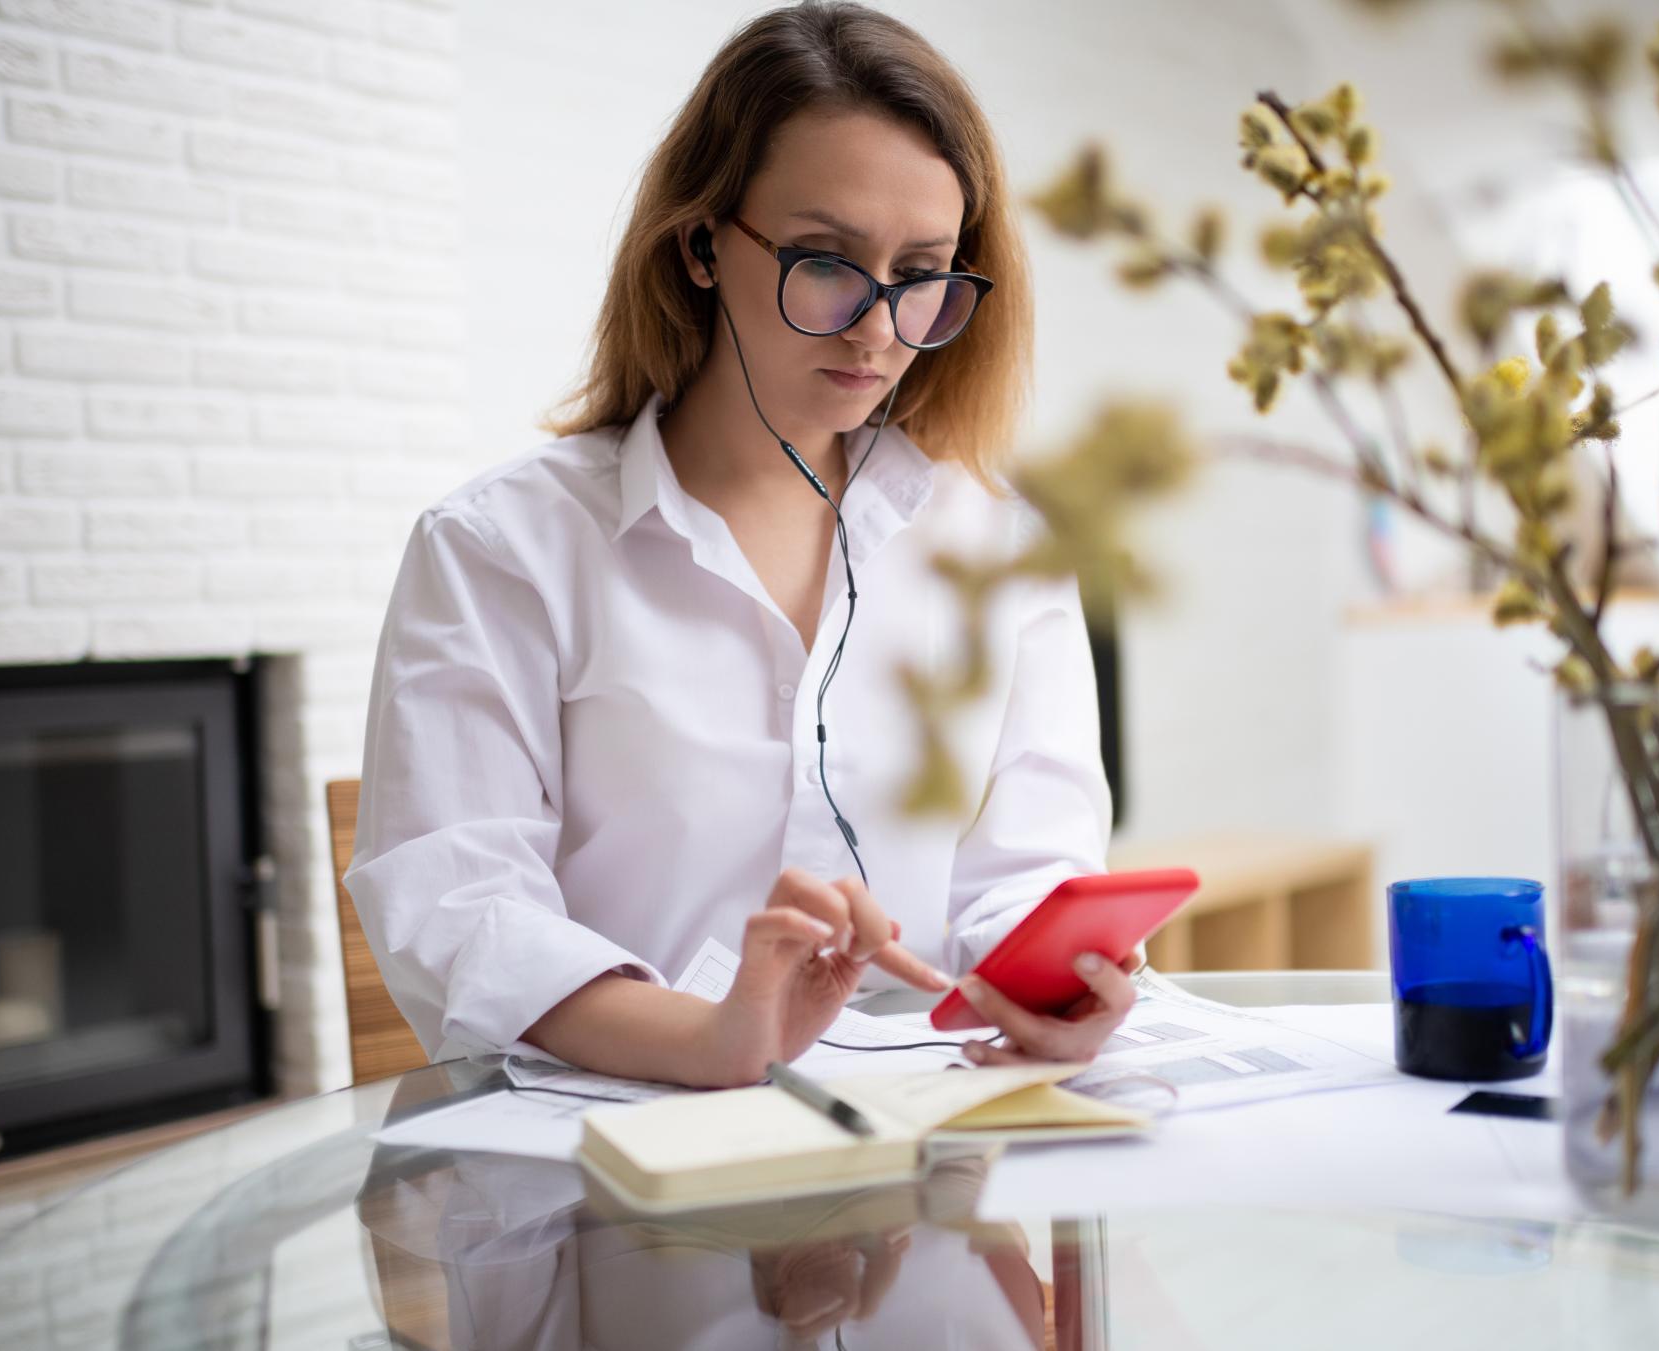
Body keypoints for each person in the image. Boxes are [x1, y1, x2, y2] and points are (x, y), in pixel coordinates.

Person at [344, 0, 1140, 1091]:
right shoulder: (504, 551)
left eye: (923, 274)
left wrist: (1060, 979)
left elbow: (1024, 875)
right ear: (705, 243)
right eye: (826, 260)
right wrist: (711, 1039)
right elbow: (460, 903)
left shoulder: (1001, 548)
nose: (878, 327)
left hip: (931, 1154)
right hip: (620, 1173)